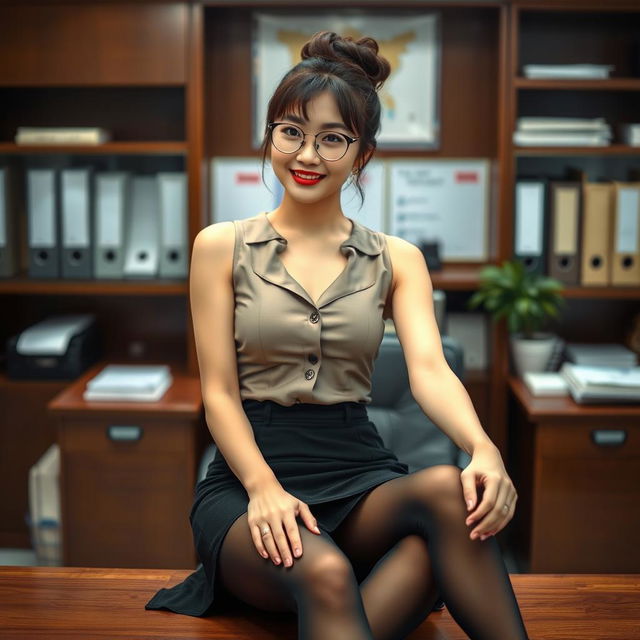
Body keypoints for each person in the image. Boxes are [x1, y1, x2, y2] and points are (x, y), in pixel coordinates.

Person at [145, 30, 530, 640]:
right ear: (269, 136)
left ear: (362, 154)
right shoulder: (221, 246)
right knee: (325, 573)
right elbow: (217, 391)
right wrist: (264, 488)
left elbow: (430, 370)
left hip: (356, 466)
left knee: (452, 497)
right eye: (291, 131)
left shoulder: (397, 258)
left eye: (333, 139)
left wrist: (483, 447)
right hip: (251, 477)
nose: (308, 155)